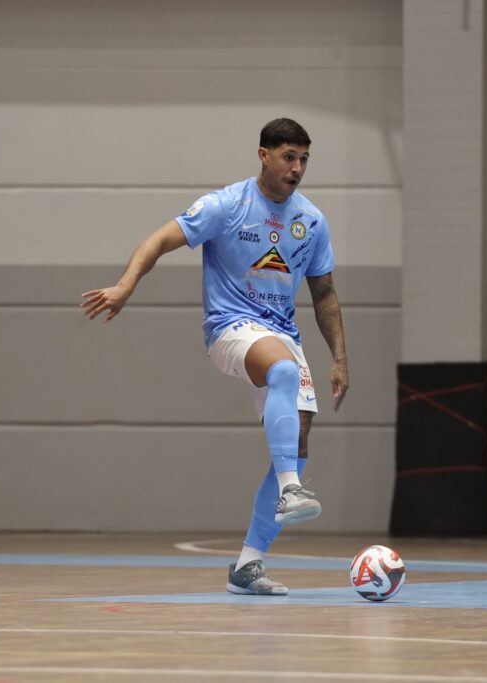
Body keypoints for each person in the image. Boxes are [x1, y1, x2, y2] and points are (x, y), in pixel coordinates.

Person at [81, 118, 349, 596]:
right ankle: (290, 489)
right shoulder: (226, 205)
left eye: (305, 159)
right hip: (231, 327)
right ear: (263, 155)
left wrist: (340, 359)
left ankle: (248, 564)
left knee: (299, 442)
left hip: (282, 332)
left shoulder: (311, 221)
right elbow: (158, 240)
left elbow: (324, 292)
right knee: (283, 371)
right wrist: (125, 285)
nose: (297, 168)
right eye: (289, 157)